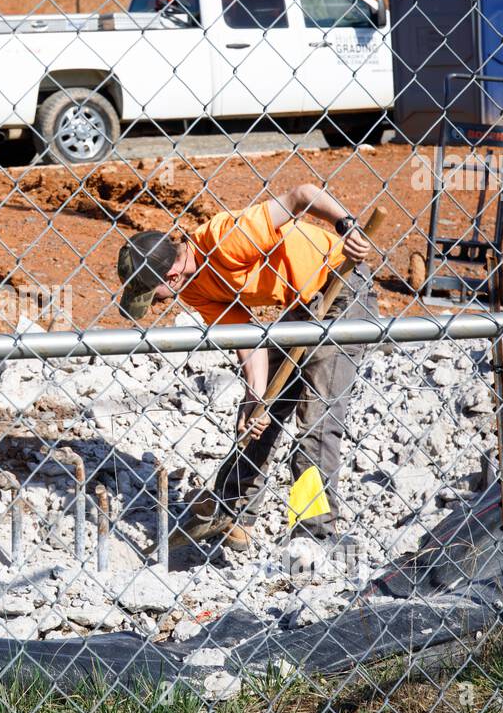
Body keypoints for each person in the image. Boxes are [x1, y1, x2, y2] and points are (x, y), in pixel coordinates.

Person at [115, 183, 377, 551]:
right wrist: (256, 398)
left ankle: (313, 534)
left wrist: (347, 226)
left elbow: (300, 195)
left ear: (170, 276)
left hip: (342, 286)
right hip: (301, 306)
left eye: (150, 294)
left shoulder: (227, 240)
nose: (153, 305)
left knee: (316, 422)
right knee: (257, 416)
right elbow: (246, 337)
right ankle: (233, 510)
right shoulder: (192, 288)